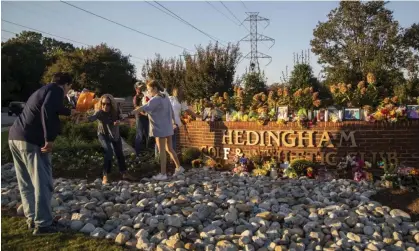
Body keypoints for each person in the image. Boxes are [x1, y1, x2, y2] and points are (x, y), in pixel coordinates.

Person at [8, 72, 77, 235]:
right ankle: (44, 224)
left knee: (26, 182)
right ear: (66, 85)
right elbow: (47, 110)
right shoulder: (57, 91)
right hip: (32, 142)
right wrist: (49, 139)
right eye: (69, 88)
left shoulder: (43, 90)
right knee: (42, 183)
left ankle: (32, 219)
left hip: (15, 138)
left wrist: (69, 112)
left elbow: (47, 107)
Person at [131, 80, 184, 181]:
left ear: (155, 88)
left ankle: (163, 174)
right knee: (170, 149)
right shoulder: (166, 97)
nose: (148, 92)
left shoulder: (155, 99)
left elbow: (143, 107)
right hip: (168, 127)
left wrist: (129, 113)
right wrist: (173, 122)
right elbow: (171, 111)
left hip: (160, 128)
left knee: (162, 151)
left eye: (149, 90)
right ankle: (179, 168)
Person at [87, 94, 135, 185]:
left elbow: (122, 118)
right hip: (103, 134)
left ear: (112, 104)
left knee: (119, 153)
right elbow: (92, 118)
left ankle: (124, 173)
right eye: (103, 103)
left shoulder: (116, 111)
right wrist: (84, 116)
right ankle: (105, 175)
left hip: (115, 134)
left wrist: (119, 122)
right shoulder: (99, 112)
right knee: (108, 151)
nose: (105, 106)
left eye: (108, 104)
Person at [133, 82, 151, 154]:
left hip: (147, 118)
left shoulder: (145, 95)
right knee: (139, 136)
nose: (141, 89)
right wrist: (144, 113)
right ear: (136, 89)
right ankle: (137, 154)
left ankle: (149, 152)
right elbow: (137, 108)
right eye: (139, 88)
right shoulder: (136, 97)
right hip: (140, 118)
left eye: (142, 87)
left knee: (148, 135)